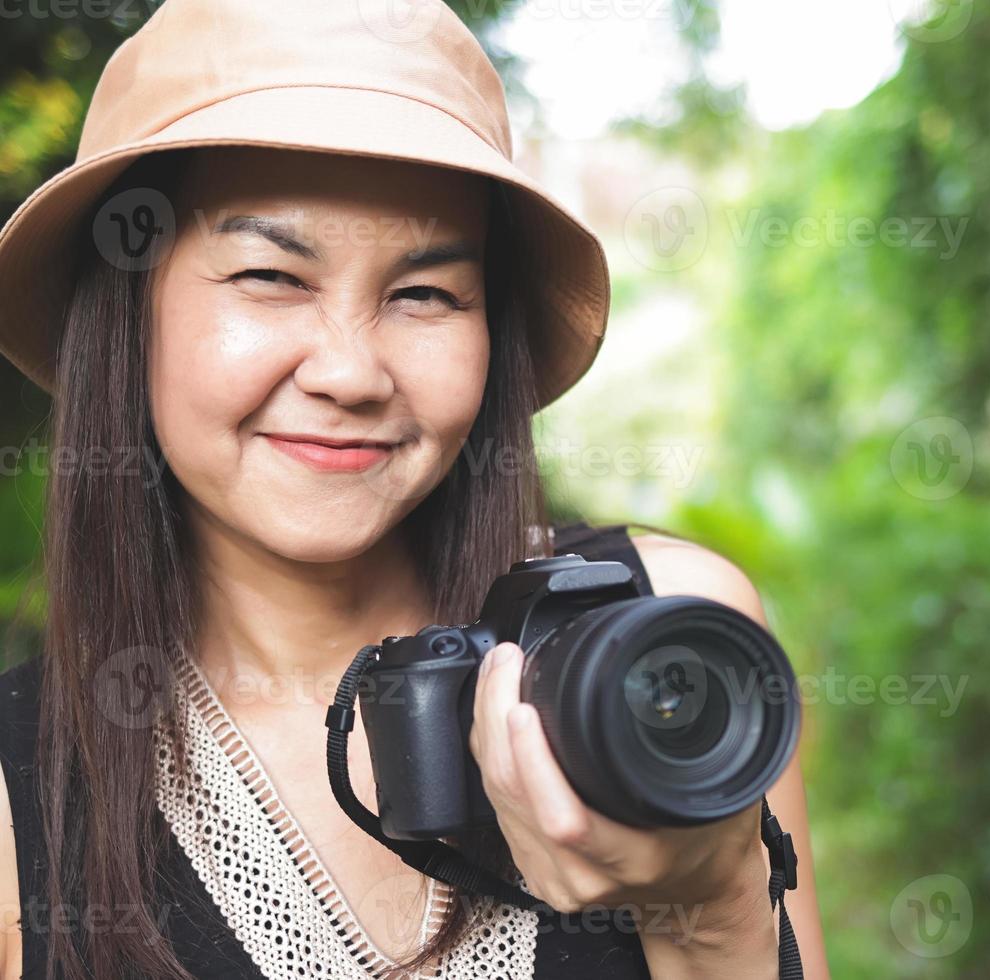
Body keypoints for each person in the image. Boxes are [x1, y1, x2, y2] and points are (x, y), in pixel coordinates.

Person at [0, 2, 829, 979]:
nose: (352, 373)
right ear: (128, 316)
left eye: (426, 293)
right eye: (270, 274)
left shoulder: (669, 643)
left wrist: (714, 902)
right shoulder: (21, 793)